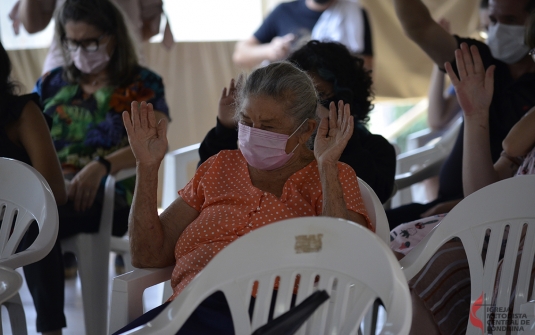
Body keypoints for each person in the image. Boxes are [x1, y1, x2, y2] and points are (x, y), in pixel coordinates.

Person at [114, 61, 372, 334]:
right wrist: (147, 166)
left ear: (307, 130)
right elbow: (146, 256)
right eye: (247, 122)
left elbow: (343, 262)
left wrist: (327, 166)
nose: (253, 134)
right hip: (192, 308)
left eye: (269, 127)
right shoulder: (219, 166)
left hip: (280, 316)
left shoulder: (332, 175)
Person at [30, 0, 170, 334]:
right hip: (56, 191)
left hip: (114, 196)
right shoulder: (51, 83)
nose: (81, 50)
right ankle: (49, 327)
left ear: (113, 37)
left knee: (38, 222)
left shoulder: (142, 83)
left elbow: (154, 137)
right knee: (35, 221)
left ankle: (49, 328)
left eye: (90, 42)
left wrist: (101, 166)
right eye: (72, 42)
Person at [391, 36, 535, 334]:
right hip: (504, 239)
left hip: (520, 254)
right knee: (428, 265)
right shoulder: (527, 132)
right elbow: (483, 198)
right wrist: (475, 115)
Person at [386, 0, 535, 229]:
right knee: (366, 229)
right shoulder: (479, 61)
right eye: (493, 21)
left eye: (511, 21)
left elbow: (499, 191)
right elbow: (419, 27)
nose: (498, 30)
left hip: (491, 216)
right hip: (456, 203)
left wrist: (459, 206)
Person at [200, 41, 396, 203]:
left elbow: (372, 197)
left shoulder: (375, 148)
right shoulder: (274, 145)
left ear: (345, 97)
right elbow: (208, 182)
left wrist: (341, 137)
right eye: (301, 95)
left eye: (318, 95)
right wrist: (225, 129)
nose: (310, 104)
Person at [0, 41, 68, 335]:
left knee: (33, 224)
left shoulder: (22, 112)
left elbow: (55, 191)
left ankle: (50, 327)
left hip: (20, 220)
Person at [8, 0, 173, 74]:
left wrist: (113, 46)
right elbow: (32, 26)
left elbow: (150, 26)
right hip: (63, 69)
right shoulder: (51, 86)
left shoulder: (143, 84)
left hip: (124, 72)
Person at [232, 0, 373, 70]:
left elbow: (366, 68)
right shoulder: (283, 12)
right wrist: (270, 50)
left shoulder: (355, 15)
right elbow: (240, 54)